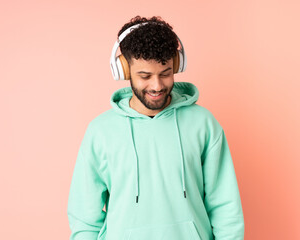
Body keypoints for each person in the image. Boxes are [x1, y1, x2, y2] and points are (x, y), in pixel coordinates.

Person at [67, 15, 245, 240]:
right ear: (125, 71)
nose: (157, 85)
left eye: (165, 74)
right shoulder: (100, 132)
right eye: (145, 76)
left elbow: (225, 206)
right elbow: (85, 217)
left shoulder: (203, 124)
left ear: (176, 66)